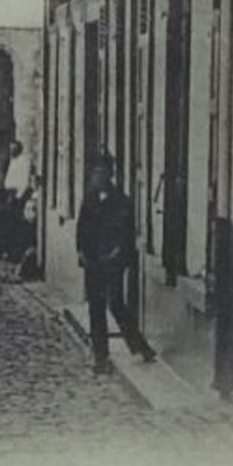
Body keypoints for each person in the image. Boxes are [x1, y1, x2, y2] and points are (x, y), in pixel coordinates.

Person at [76, 153, 157, 375]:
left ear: (109, 175)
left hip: (112, 261)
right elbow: (81, 228)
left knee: (116, 304)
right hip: (93, 261)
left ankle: (140, 346)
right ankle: (100, 357)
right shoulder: (89, 199)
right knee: (96, 307)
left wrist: (116, 254)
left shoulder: (122, 201)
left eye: (101, 173)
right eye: (95, 173)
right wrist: (81, 252)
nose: (97, 176)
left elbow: (126, 235)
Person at [0, 140, 30, 260]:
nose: (11, 152)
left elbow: (24, 181)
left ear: (19, 150)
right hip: (6, 193)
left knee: (12, 224)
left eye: (13, 149)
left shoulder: (23, 162)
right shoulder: (11, 161)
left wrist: (18, 197)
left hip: (15, 195)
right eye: (10, 149)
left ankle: (11, 252)